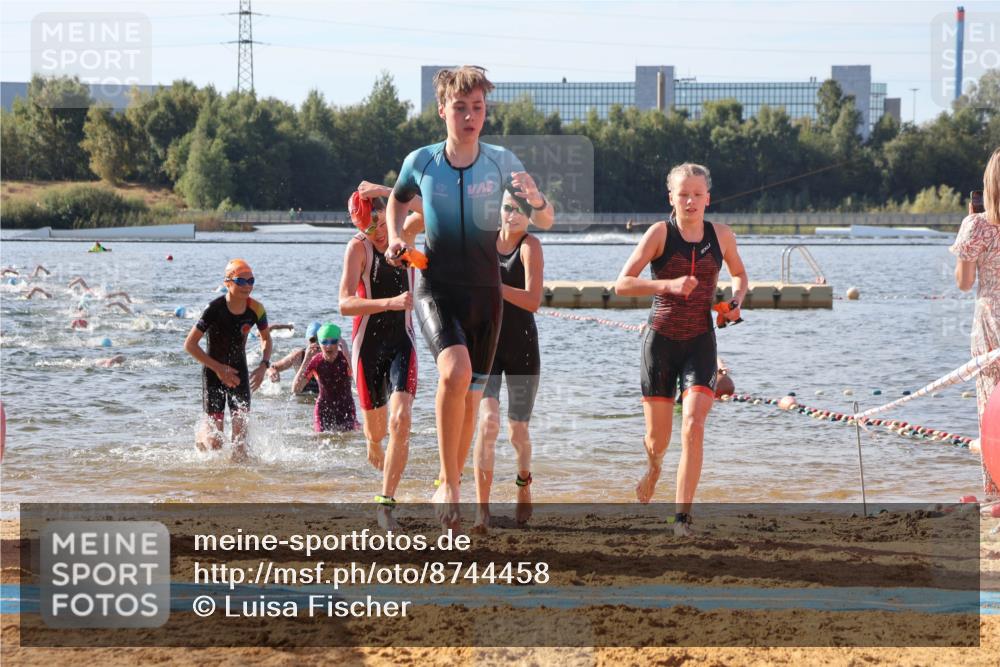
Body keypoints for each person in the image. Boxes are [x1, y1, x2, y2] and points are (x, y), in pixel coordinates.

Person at [385, 65, 554, 528]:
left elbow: (547, 220)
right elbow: (397, 201)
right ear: (443, 110)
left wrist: (537, 201)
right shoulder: (421, 161)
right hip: (437, 287)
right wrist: (396, 237)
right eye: (460, 108)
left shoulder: (502, 160)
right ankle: (449, 482)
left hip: (487, 298)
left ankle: (451, 477)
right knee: (455, 372)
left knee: (471, 398)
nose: (470, 116)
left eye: (477, 108)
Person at [615, 163, 748, 536]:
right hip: (660, 343)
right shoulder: (660, 233)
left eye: (697, 194)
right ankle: (654, 467)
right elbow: (622, 284)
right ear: (670, 197)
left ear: (708, 198)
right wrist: (667, 285)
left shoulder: (721, 236)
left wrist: (735, 300)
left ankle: (682, 518)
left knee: (693, 425)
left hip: (701, 342)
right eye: (682, 194)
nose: (690, 201)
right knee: (659, 441)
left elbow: (739, 274)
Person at [340, 188, 421, 530]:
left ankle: (385, 505)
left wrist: (391, 191)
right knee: (377, 429)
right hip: (368, 345)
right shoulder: (357, 248)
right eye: (371, 226)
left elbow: (431, 206)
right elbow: (344, 304)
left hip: (402, 341)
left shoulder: (407, 231)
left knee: (400, 421)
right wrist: (388, 303)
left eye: (382, 220)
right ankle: (371, 439)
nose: (381, 231)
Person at [471, 185, 545, 533]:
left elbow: (533, 301)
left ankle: (523, 482)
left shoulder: (529, 246)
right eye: (506, 208)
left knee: (517, 432)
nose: (511, 215)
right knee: (487, 425)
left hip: (522, 347)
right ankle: (481, 510)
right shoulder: (483, 242)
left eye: (518, 209)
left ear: (528, 216)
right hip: (486, 346)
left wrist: (494, 288)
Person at [183, 258, 272, 461]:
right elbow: (189, 345)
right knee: (216, 443)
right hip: (213, 374)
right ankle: (203, 436)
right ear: (228, 283)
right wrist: (218, 369)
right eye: (241, 281)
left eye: (251, 281)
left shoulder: (257, 309)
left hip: (238, 374)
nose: (247, 286)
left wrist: (263, 366)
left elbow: (266, 338)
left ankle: (239, 490)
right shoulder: (214, 309)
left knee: (240, 445)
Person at [951, 146, 1000, 499]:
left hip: (991, 327)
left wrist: (968, 226)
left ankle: (996, 494)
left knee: (992, 415)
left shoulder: (978, 226)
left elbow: (965, 283)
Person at [292, 323, 357, 433]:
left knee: (349, 440)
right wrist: (306, 360)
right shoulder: (316, 361)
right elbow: (296, 389)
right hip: (323, 410)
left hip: (346, 408)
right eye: (325, 342)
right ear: (319, 344)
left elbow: (358, 380)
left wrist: (347, 354)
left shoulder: (345, 359)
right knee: (320, 440)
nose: (329, 346)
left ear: (339, 342)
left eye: (333, 341)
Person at [268, 322, 322, 394]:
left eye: (319, 340)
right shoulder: (298, 356)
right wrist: (272, 372)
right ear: (307, 341)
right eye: (312, 340)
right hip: (301, 394)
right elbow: (272, 367)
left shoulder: (330, 356)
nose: (316, 344)